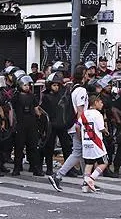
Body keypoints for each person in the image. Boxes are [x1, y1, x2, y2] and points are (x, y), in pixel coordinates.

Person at [47, 63, 95, 191]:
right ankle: (58, 175)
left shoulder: (74, 88)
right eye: (86, 73)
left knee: (84, 153)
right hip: (78, 126)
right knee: (78, 152)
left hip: (76, 125)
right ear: (83, 75)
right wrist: (82, 127)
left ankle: (87, 180)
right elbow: (80, 111)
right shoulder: (81, 91)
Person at [40, 72, 73, 176]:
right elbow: (43, 112)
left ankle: (68, 169)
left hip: (62, 125)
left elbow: (68, 110)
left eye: (58, 85)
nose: (56, 87)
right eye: (54, 85)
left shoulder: (64, 95)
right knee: (49, 147)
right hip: (51, 125)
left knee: (66, 147)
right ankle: (49, 168)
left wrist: (67, 123)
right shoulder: (46, 96)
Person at [11, 75, 43, 176]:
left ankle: (35, 168)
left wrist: (39, 116)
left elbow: (36, 108)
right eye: (25, 85)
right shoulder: (16, 96)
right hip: (20, 124)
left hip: (31, 124)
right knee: (19, 147)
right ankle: (17, 168)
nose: (27, 87)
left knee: (33, 147)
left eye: (28, 85)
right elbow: (11, 109)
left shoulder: (32, 96)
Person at [80, 95, 109, 192]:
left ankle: (85, 185)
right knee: (104, 162)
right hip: (96, 142)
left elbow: (78, 125)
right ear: (95, 103)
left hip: (86, 141)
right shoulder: (97, 114)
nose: (102, 104)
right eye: (100, 102)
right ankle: (91, 179)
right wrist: (106, 131)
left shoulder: (83, 114)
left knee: (89, 163)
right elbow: (101, 128)